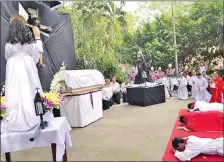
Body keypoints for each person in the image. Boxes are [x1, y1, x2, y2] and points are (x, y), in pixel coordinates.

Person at [1, 15, 43, 133]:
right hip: (28, 66)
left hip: (13, 67)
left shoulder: (9, 44)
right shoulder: (30, 43)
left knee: (15, 91)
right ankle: (34, 114)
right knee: (30, 89)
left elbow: (7, 57)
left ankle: (16, 118)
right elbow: (35, 57)